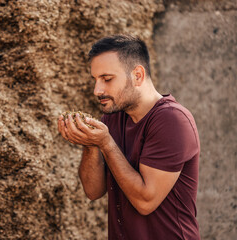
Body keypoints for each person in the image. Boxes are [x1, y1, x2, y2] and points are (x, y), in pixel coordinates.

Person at [57, 34, 200, 240]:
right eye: (95, 80)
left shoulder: (172, 120)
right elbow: (93, 191)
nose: (97, 90)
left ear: (138, 75)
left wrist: (105, 143)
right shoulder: (112, 119)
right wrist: (90, 145)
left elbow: (145, 202)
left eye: (107, 79)